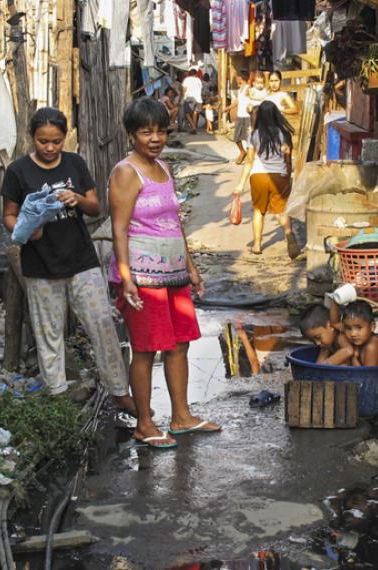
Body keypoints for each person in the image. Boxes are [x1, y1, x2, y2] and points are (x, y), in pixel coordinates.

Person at [1, 107, 138, 414]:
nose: (49, 148)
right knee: (48, 333)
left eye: (56, 141)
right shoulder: (18, 171)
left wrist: (77, 198)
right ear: (32, 138)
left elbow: (95, 207)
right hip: (40, 265)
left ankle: (120, 392)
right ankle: (57, 398)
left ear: (65, 138)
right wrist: (27, 229)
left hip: (81, 261)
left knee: (102, 325)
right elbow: (8, 216)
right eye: (42, 141)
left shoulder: (75, 163)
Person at [108, 97, 220, 449]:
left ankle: (181, 416)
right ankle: (144, 423)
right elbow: (119, 229)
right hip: (142, 278)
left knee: (180, 344)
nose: (155, 138)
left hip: (173, 275)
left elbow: (174, 223)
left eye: (160, 131)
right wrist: (126, 278)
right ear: (131, 135)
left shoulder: (165, 168)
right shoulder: (127, 172)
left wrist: (191, 268)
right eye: (146, 132)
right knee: (145, 349)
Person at [233, 100, 300, 257]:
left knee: (259, 210)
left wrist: (240, 184)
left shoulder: (254, 135)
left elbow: (249, 161)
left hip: (258, 176)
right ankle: (289, 234)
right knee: (282, 210)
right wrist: (287, 175)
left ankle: (257, 245)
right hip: (280, 175)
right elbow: (288, 159)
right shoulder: (283, 134)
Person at [332, 301, 378, 366]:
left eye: (359, 328)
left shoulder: (371, 346)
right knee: (341, 337)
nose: (353, 334)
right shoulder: (361, 338)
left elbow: (366, 375)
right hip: (367, 374)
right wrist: (335, 301)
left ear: (372, 327)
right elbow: (335, 323)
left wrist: (353, 357)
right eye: (349, 328)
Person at [230, 70, 252, 164]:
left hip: (247, 116)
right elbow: (237, 101)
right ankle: (242, 152)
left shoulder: (248, 88)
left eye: (237, 77)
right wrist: (227, 108)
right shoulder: (240, 89)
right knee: (236, 138)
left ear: (240, 78)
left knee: (249, 138)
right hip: (240, 116)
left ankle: (250, 157)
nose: (236, 79)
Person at [181, 67, 203, 133]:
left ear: (189, 74)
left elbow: (184, 90)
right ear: (196, 74)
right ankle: (194, 127)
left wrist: (183, 98)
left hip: (189, 98)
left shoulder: (186, 80)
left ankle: (193, 126)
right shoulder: (198, 80)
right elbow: (200, 88)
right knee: (195, 112)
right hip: (198, 98)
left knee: (186, 113)